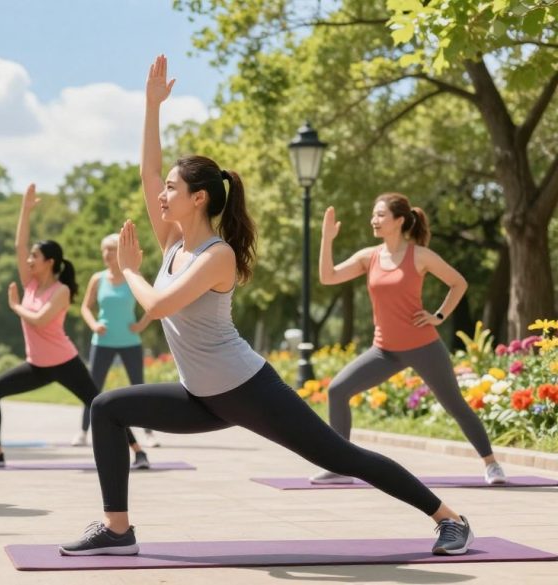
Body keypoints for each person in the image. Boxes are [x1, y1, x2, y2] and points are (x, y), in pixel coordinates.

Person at [58, 55, 473, 557]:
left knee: (341, 457)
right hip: (201, 395)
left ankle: (449, 519)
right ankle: (118, 529)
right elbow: (148, 169)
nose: (162, 194)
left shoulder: (218, 256)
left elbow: (161, 307)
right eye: (165, 188)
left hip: (248, 389)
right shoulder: (172, 240)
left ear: (201, 200)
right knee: (107, 410)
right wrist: (151, 109)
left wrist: (129, 271)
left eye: (173, 188)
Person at [310, 196, 505, 485]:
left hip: (423, 347)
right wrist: (327, 240)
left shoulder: (420, 256)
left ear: (399, 220)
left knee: (454, 405)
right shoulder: (369, 256)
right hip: (384, 351)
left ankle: (491, 464)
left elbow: (458, 282)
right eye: (373, 215)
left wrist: (438, 315)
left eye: (380, 215)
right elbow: (328, 276)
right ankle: (340, 467)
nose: (374, 220)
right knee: (338, 390)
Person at [0, 185, 149, 469]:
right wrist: (25, 211)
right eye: (29, 258)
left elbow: (40, 320)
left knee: (99, 404)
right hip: (36, 364)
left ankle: (138, 451)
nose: (28, 260)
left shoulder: (61, 291)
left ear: (49, 262)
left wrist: (16, 307)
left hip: (65, 362)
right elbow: (19, 245)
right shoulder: (30, 283)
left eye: (34, 258)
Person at [75, 233, 157, 448]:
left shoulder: (133, 277)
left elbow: (153, 302)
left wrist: (141, 325)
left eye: (111, 249)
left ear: (119, 252)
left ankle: (148, 433)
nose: (106, 254)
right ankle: (84, 432)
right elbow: (85, 307)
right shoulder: (97, 279)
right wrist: (93, 325)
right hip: (102, 342)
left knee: (139, 387)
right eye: (104, 250)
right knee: (92, 388)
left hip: (130, 341)